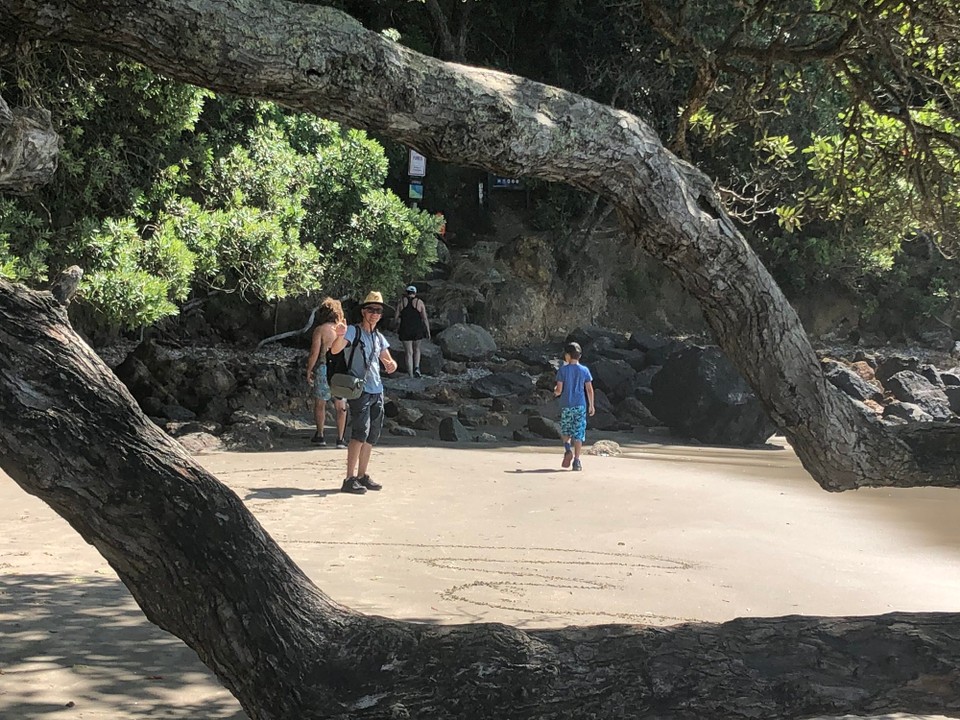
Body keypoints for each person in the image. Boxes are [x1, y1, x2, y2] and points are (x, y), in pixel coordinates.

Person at [329, 291, 398, 494]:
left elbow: (388, 359)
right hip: (359, 390)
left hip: (377, 390)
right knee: (360, 433)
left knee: (371, 435)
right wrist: (340, 335)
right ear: (363, 312)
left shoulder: (378, 337)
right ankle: (349, 478)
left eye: (378, 310)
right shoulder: (353, 331)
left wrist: (391, 364)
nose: (375, 314)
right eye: (371, 310)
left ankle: (362, 475)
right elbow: (335, 350)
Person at [305, 297, 349, 448]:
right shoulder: (343, 330)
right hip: (341, 370)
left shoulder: (321, 330)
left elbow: (314, 353)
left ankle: (320, 435)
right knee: (341, 405)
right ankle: (341, 438)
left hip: (324, 368)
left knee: (320, 403)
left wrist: (309, 369)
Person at [553, 341, 595, 471]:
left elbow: (559, 390)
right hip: (580, 405)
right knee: (578, 433)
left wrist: (555, 391)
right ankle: (577, 461)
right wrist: (591, 405)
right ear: (579, 356)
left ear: (567, 356)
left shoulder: (562, 370)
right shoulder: (585, 370)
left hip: (566, 405)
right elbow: (589, 389)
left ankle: (567, 450)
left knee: (566, 430)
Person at [394, 285, 431, 378]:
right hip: (417, 329)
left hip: (405, 329)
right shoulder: (419, 302)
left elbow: (395, 318)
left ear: (406, 293)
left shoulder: (401, 302)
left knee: (408, 352)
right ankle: (417, 368)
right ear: (415, 293)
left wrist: (395, 327)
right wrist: (428, 330)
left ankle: (410, 374)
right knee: (417, 349)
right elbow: (425, 318)